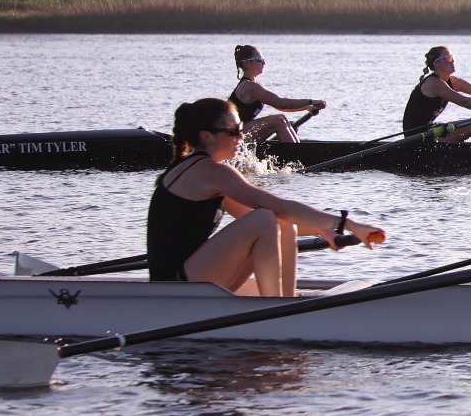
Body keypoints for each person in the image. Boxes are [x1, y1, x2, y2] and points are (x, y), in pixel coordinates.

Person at [147, 97, 385, 296]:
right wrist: (349, 224)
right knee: (265, 219)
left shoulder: (207, 174)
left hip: (190, 278)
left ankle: (284, 303)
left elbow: (272, 217)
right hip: (174, 286)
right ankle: (274, 311)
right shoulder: (211, 172)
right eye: (234, 131)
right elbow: (277, 207)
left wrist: (321, 230)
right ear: (207, 136)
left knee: (283, 224)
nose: (241, 137)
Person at [228, 44, 328, 145]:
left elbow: (281, 107)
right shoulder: (248, 86)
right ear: (247, 63)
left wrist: (307, 107)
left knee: (282, 119)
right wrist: (311, 101)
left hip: (243, 130)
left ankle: (297, 151)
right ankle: (297, 156)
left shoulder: (257, 85)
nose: (264, 63)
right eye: (260, 59)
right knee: (278, 121)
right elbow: (280, 103)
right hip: (233, 135)